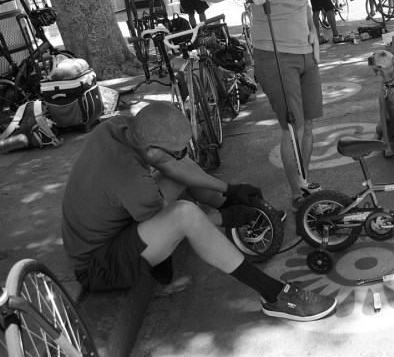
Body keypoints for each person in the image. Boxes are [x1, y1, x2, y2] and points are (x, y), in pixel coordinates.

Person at [62, 102, 337, 321]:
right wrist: (223, 220)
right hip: (101, 264)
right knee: (186, 214)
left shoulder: (119, 126)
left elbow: (175, 167)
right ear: (153, 152)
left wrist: (229, 190)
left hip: (116, 223)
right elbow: (175, 227)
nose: (183, 155)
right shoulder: (133, 182)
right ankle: (273, 294)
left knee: (178, 178)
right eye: (178, 152)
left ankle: (237, 214)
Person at [200, 0, 334, 210]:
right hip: (274, 55)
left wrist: (313, 30)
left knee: (309, 125)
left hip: (305, 53)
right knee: (293, 128)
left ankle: (305, 183)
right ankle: (299, 196)